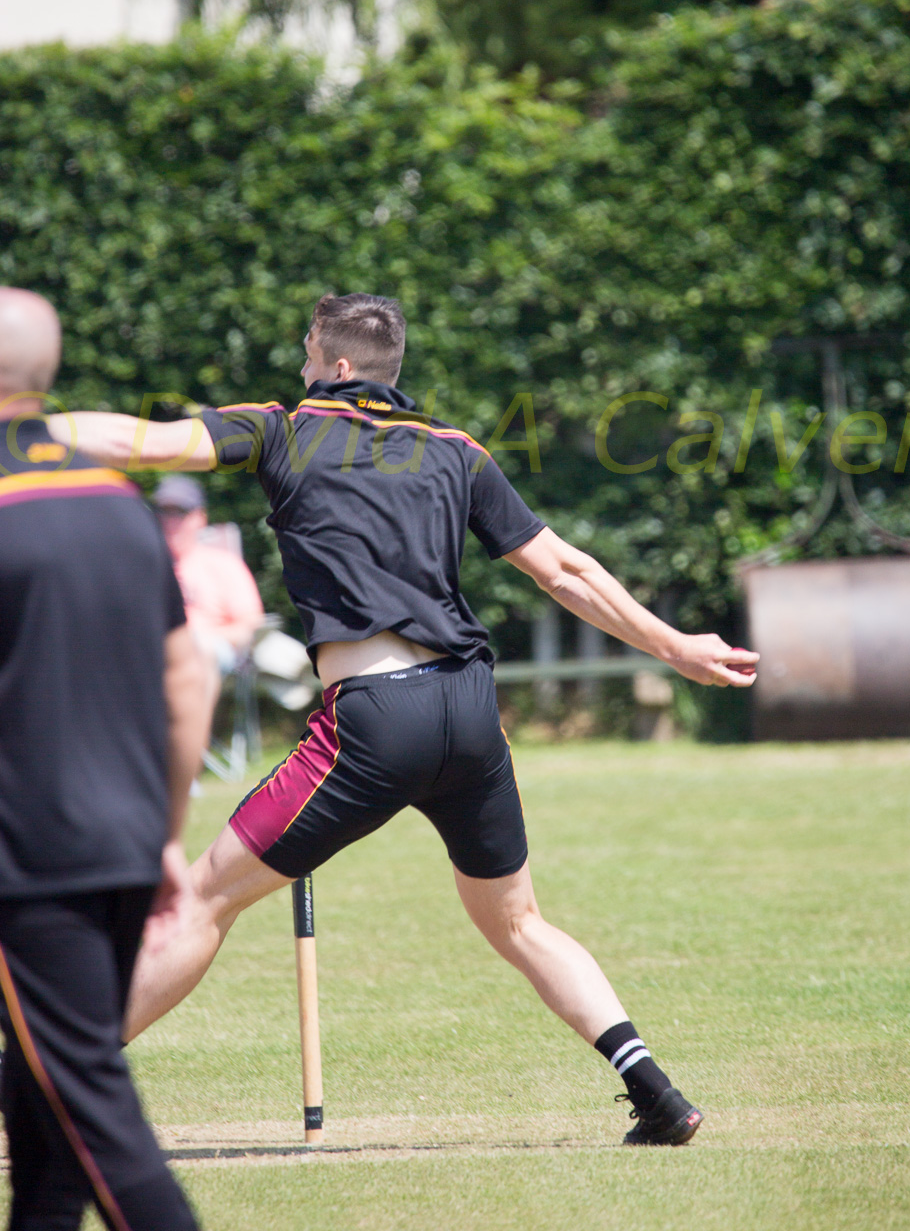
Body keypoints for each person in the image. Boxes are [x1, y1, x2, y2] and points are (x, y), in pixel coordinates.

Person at [54, 292, 759, 1146]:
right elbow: (564, 570)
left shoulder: (281, 429)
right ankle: (656, 1094)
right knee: (518, 922)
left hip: (376, 723)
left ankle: (48, 1085)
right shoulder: (456, 449)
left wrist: (27, 431)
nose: (300, 368)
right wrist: (675, 646)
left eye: (307, 353)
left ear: (337, 365)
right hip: (470, 713)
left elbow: (146, 442)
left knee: (203, 898)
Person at [0, 288, 209, 1230]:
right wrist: (164, 832)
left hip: (29, 855)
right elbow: (187, 680)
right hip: (124, 839)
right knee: (43, 1123)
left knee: (88, 1104)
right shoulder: (119, 502)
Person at [154, 472, 264, 714]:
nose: (170, 521)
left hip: (209, 650)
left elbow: (250, 624)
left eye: (179, 512)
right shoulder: (143, 567)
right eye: (163, 511)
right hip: (153, 652)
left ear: (200, 518)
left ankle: (189, 736)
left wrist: (196, 638)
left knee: (199, 651)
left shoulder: (223, 564)